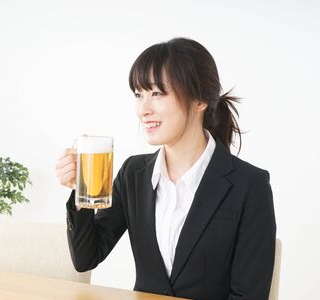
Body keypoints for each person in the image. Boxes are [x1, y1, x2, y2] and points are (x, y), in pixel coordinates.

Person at [55, 37, 276, 300]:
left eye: (157, 93)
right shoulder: (133, 174)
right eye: (139, 95)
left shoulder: (249, 185)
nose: (143, 110)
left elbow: (248, 295)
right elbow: (86, 258)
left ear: (199, 100)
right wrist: (81, 194)